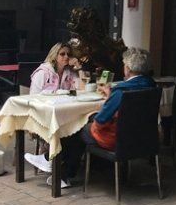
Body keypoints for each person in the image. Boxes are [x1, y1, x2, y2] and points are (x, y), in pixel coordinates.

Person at [24, 47, 156, 188]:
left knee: (76, 128)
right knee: (82, 127)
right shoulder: (151, 86)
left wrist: (98, 113)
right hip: (142, 139)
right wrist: (110, 97)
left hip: (116, 139)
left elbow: (101, 120)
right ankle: (55, 166)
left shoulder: (121, 91)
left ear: (128, 68)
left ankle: (59, 171)